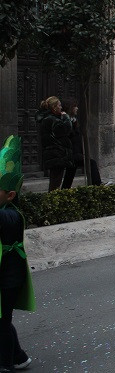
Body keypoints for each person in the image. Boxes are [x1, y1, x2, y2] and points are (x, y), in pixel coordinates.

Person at [0, 136, 34, 372]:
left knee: (2, 321)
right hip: (4, 276)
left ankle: (6, 361)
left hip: (8, 279)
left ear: (10, 195)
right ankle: (19, 356)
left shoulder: (11, 215)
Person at [35, 96, 73, 191]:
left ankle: (52, 201)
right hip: (56, 154)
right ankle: (51, 203)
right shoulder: (51, 119)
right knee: (55, 183)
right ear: (54, 107)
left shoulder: (50, 118)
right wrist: (66, 117)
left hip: (56, 153)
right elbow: (65, 129)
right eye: (59, 105)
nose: (61, 107)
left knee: (56, 181)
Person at [61, 102, 101, 188]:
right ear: (70, 108)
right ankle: (97, 185)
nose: (77, 108)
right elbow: (69, 134)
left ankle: (64, 190)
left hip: (76, 151)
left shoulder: (73, 120)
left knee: (70, 173)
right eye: (75, 106)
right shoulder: (65, 120)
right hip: (72, 152)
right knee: (91, 163)